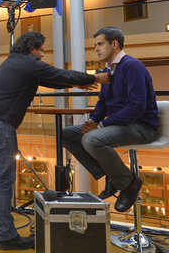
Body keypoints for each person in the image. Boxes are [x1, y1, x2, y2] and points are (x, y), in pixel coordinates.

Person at [0, 31, 110, 250]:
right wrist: (94, 78)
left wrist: (81, 84)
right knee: (2, 180)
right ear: (32, 48)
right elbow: (59, 74)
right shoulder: (29, 63)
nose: (43, 54)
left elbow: (52, 80)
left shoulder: (14, 61)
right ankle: (7, 237)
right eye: (41, 49)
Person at [61, 26, 158, 213]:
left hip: (141, 127)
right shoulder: (107, 70)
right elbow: (103, 103)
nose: (96, 49)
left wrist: (102, 125)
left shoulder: (132, 66)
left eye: (100, 44)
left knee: (92, 139)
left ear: (114, 44)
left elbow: (136, 108)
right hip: (120, 125)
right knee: (66, 134)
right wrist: (93, 121)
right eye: (95, 45)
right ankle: (111, 175)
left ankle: (128, 184)